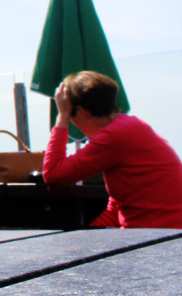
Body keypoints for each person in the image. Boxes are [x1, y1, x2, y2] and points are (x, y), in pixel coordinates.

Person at [44, 71, 182, 228]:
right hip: (170, 233)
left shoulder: (113, 136)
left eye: (71, 116)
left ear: (83, 112)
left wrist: (62, 116)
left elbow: (53, 174)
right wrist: (89, 236)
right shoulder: (131, 125)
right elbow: (119, 204)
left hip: (155, 238)